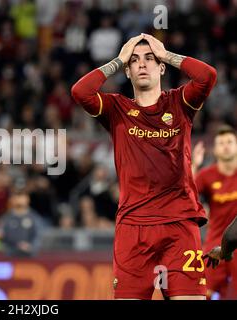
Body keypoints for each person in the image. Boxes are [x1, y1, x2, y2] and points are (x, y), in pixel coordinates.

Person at [71, 33, 217, 300]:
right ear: (127, 71)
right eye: (135, 61)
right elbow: (81, 92)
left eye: (149, 59)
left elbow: (207, 76)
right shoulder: (117, 109)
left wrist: (167, 54)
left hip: (179, 224)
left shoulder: (180, 102)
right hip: (133, 228)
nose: (142, 65)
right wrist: (118, 60)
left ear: (161, 67)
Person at [193, 125, 237, 298]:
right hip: (215, 244)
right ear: (215, 150)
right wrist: (194, 166)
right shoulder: (206, 176)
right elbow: (185, 194)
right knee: (206, 294)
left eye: (230, 142)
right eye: (221, 143)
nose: (226, 146)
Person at [0, 188, 42, 257]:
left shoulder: (34, 218)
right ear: (12, 200)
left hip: (30, 257)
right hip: (10, 256)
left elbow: (38, 236)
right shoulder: (5, 218)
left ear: (27, 199)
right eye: (17, 196)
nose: (19, 199)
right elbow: (0, 237)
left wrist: (31, 247)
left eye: (22, 196)